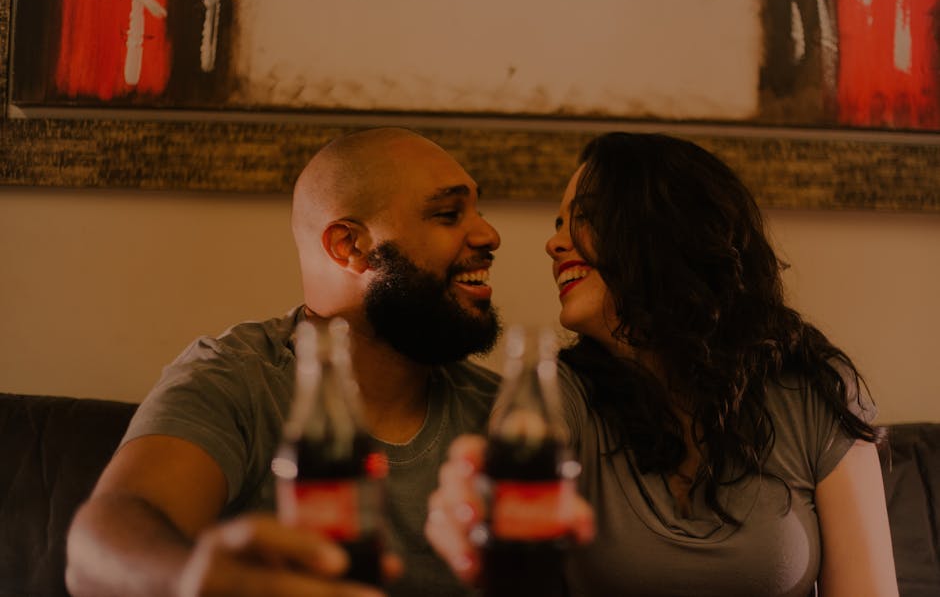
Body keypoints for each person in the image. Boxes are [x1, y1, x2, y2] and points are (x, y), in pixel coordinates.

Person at [426, 132, 899, 596]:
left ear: (667, 231)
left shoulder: (813, 390)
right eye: (557, 223)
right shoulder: (563, 392)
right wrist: (479, 505)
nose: (554, 244)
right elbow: (509, 478)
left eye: (585, 217)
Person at [66, 127, 504, 597]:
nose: (489, 234)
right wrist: (189, 578)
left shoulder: (503, 412)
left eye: (477, 210)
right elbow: (100, 546)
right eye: (448, 214)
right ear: (349, 247)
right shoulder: (236, 377)